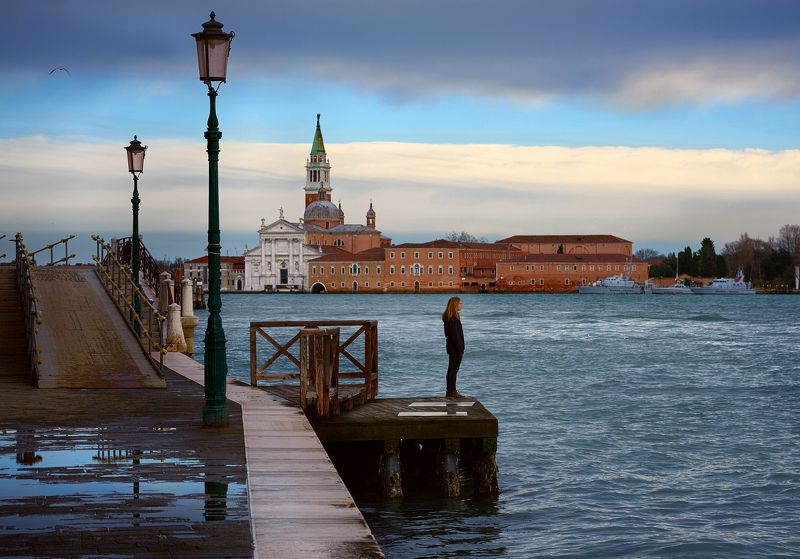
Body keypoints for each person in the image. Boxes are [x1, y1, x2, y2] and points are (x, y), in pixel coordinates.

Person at [442, 296, 465, 398]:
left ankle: (450, 391)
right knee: (453, 369)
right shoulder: (453, 319)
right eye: (460, 303)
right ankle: (452, 391)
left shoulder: (451, 317)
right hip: (455, 348)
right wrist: (460, 350)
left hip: (452, 347)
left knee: (452, 369)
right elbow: (455, 336)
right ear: (455, 305)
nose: (461, 305)